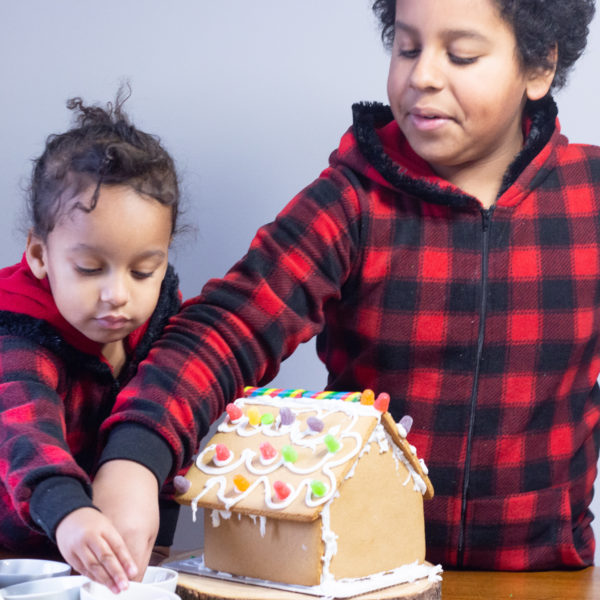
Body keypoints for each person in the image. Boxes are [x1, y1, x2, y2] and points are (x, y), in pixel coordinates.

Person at [114, 0, 599, 571]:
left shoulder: (589, 196)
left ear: (539, 67)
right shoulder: (353, 201)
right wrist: (133, 460)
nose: (422, 76)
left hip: (543, 579)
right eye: (407, 47)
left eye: (461, 55)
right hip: (366, 574)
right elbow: (228, 328)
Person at [0, 91, 184, 593]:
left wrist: (159, 533)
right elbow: (24, 437)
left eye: (144, 270)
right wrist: (69, 513)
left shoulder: (161, 321)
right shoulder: (16, 334)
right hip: (18, 553)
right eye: (89, 268)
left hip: (103, 558)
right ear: (40, 255)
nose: (117, 296)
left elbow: (164, 421)